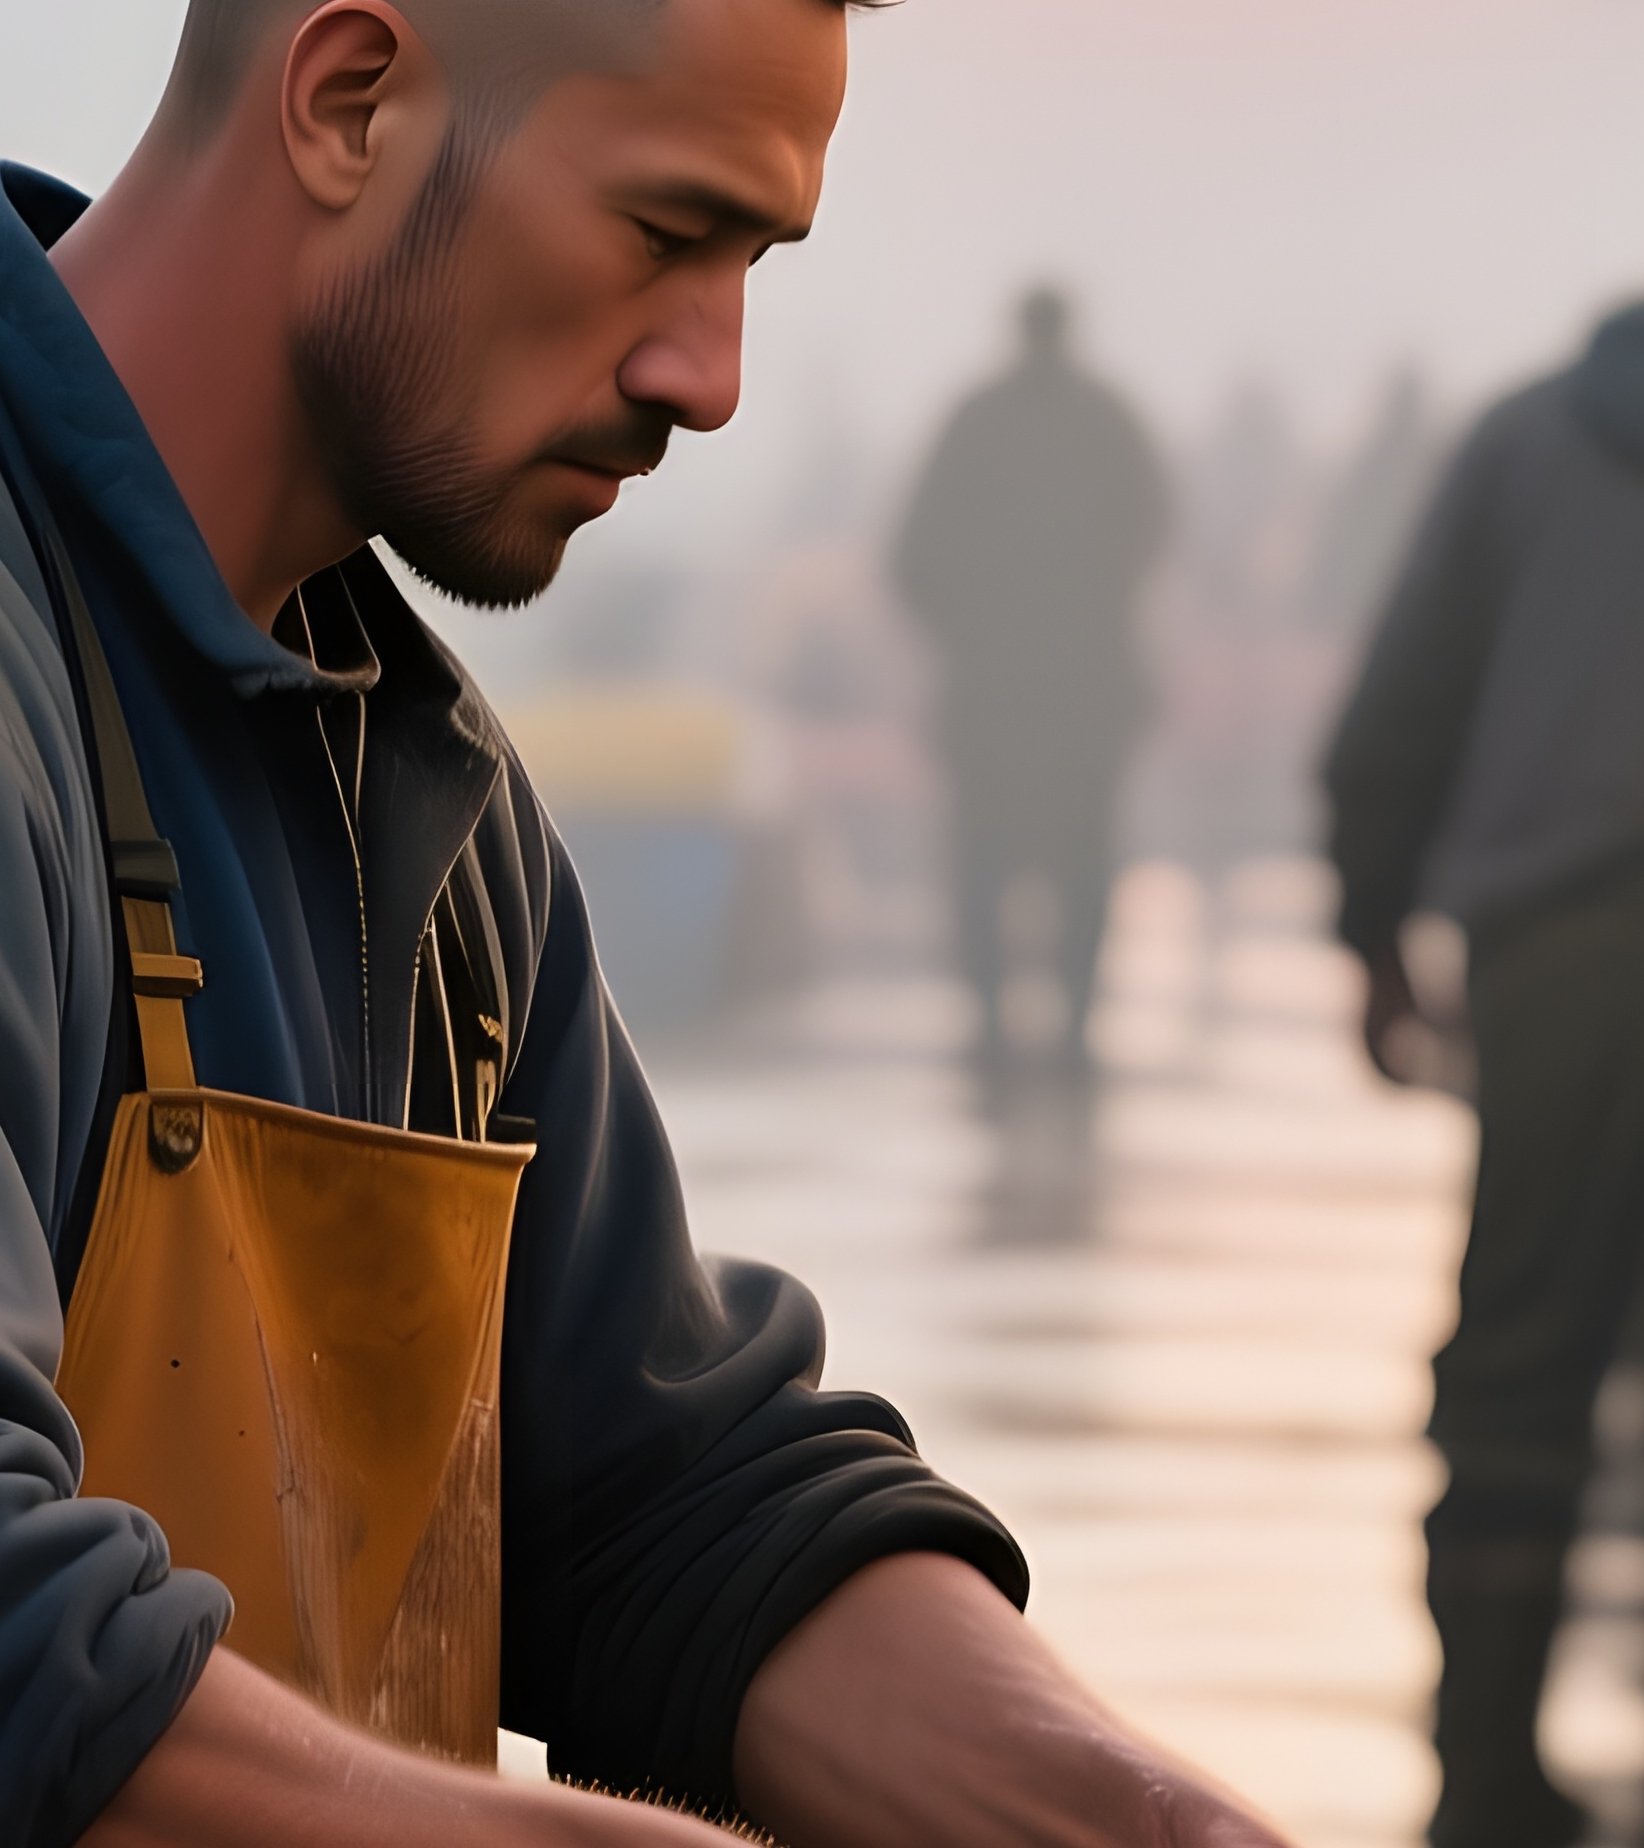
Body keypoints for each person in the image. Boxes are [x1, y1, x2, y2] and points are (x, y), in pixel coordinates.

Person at [0, 5, 1298, 1847]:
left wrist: (1150, 1820)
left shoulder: (434, 803)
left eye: (755, 263)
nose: (713, 377)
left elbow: (661, 1502)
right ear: (349, 102)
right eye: (665, 232)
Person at [1323, 155, 1644, 1848]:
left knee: (1516, 1354)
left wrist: (1371, 930)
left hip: (1542, 961)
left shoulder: (1519, 441)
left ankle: (1482, 1772)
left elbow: (1396, 704)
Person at [894, 287, 1167, 1076]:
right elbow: (1152, 530)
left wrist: (968, 636)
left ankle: (991, 1032)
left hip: (992, 698)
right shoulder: (1109, 425)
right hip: (1087, 694)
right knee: (1084, 865)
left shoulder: (974, 425)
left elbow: (911, 558)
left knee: (985, 865)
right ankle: (1075, 1031)